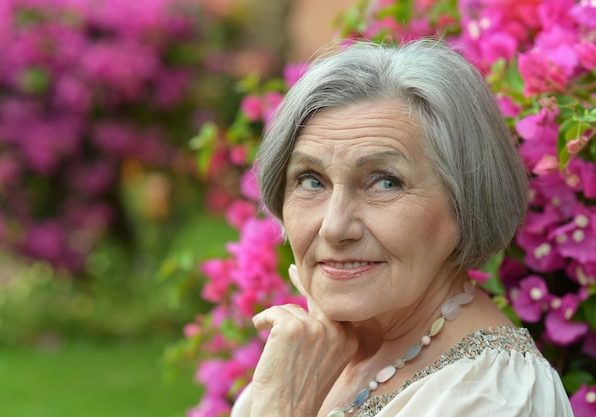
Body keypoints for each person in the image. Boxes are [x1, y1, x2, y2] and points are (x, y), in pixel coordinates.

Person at [231, 39, 574, 417]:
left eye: (385, 182)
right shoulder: (312, 356)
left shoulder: (494, 398)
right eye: (311, 180)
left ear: (466, 204)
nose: (333, 227)